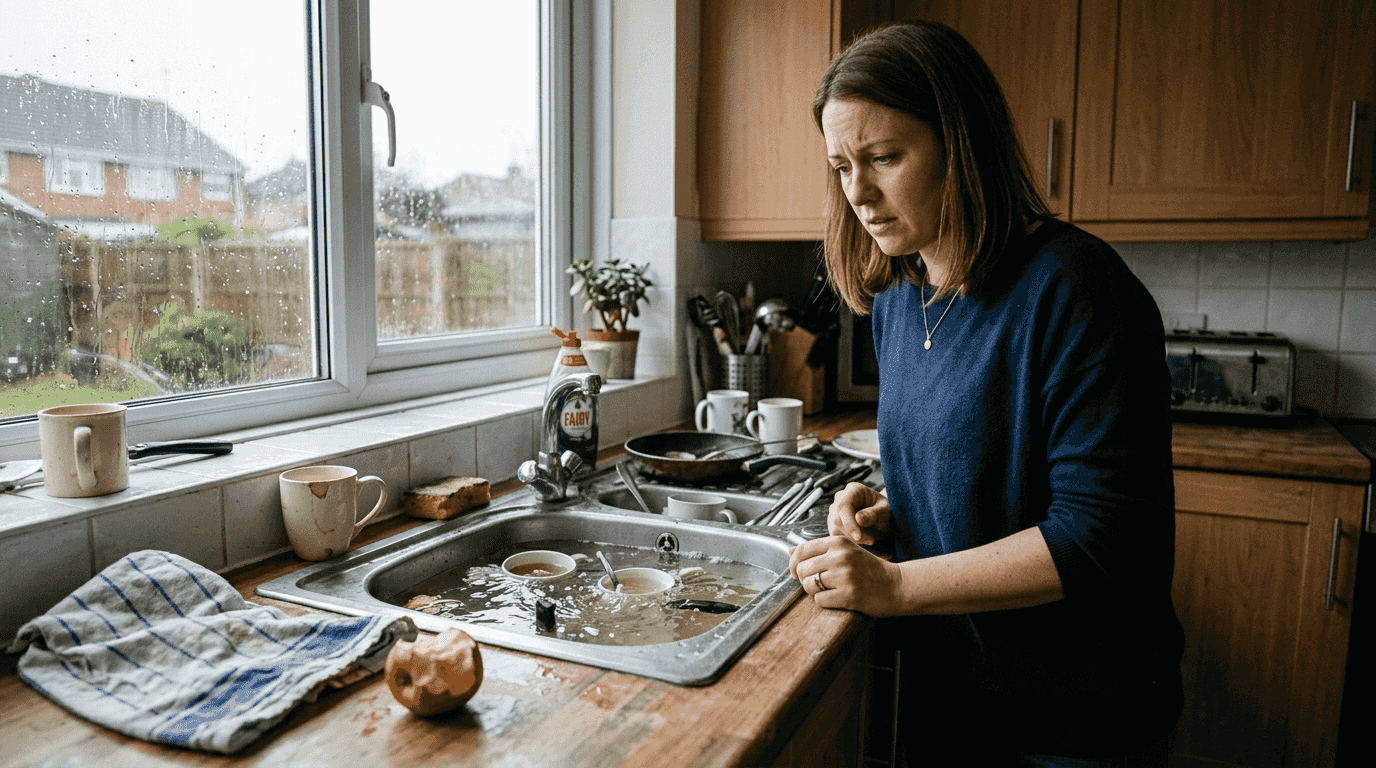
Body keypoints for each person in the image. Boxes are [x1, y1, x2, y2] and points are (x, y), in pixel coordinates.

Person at [788, 21, 1184, 767]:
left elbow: (1100, 541)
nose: (860, 193)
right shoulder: (902, 297)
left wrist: (897, 585)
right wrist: (892, 510)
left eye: (884, 158)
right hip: (953, 697)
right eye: (842, 165)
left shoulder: (1077, 289)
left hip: (1079, 722)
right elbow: (982, 468)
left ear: (961, 145)